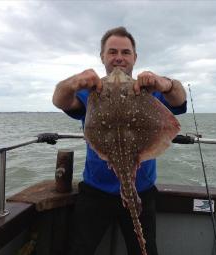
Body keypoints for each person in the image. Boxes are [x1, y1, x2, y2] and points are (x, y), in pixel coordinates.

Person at [52, 26, 187, 255]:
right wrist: (75, 81)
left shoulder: (147, 90)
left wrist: (165, 84)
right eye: (112, 52)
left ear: (135, 57)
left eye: (125, 52)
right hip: (95, 191)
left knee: (145, 250)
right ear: (102, 56)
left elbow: (180, 99)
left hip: (141, 188)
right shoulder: (91, 92)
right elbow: (59, 99)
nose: (119, 58)